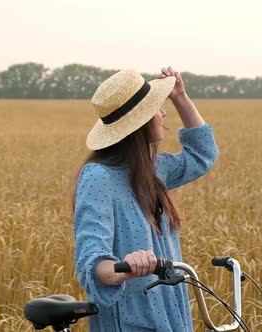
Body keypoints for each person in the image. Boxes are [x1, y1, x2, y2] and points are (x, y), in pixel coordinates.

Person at [73, 66, 219, 331]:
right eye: (157, 108)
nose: (163, 113)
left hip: (170, 312)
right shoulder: (98, 177)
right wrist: (129, 266)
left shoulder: (153, 169)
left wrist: (181, 97)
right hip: (132, 319)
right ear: (140, 122)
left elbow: (203, 154)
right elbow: (92, 262)